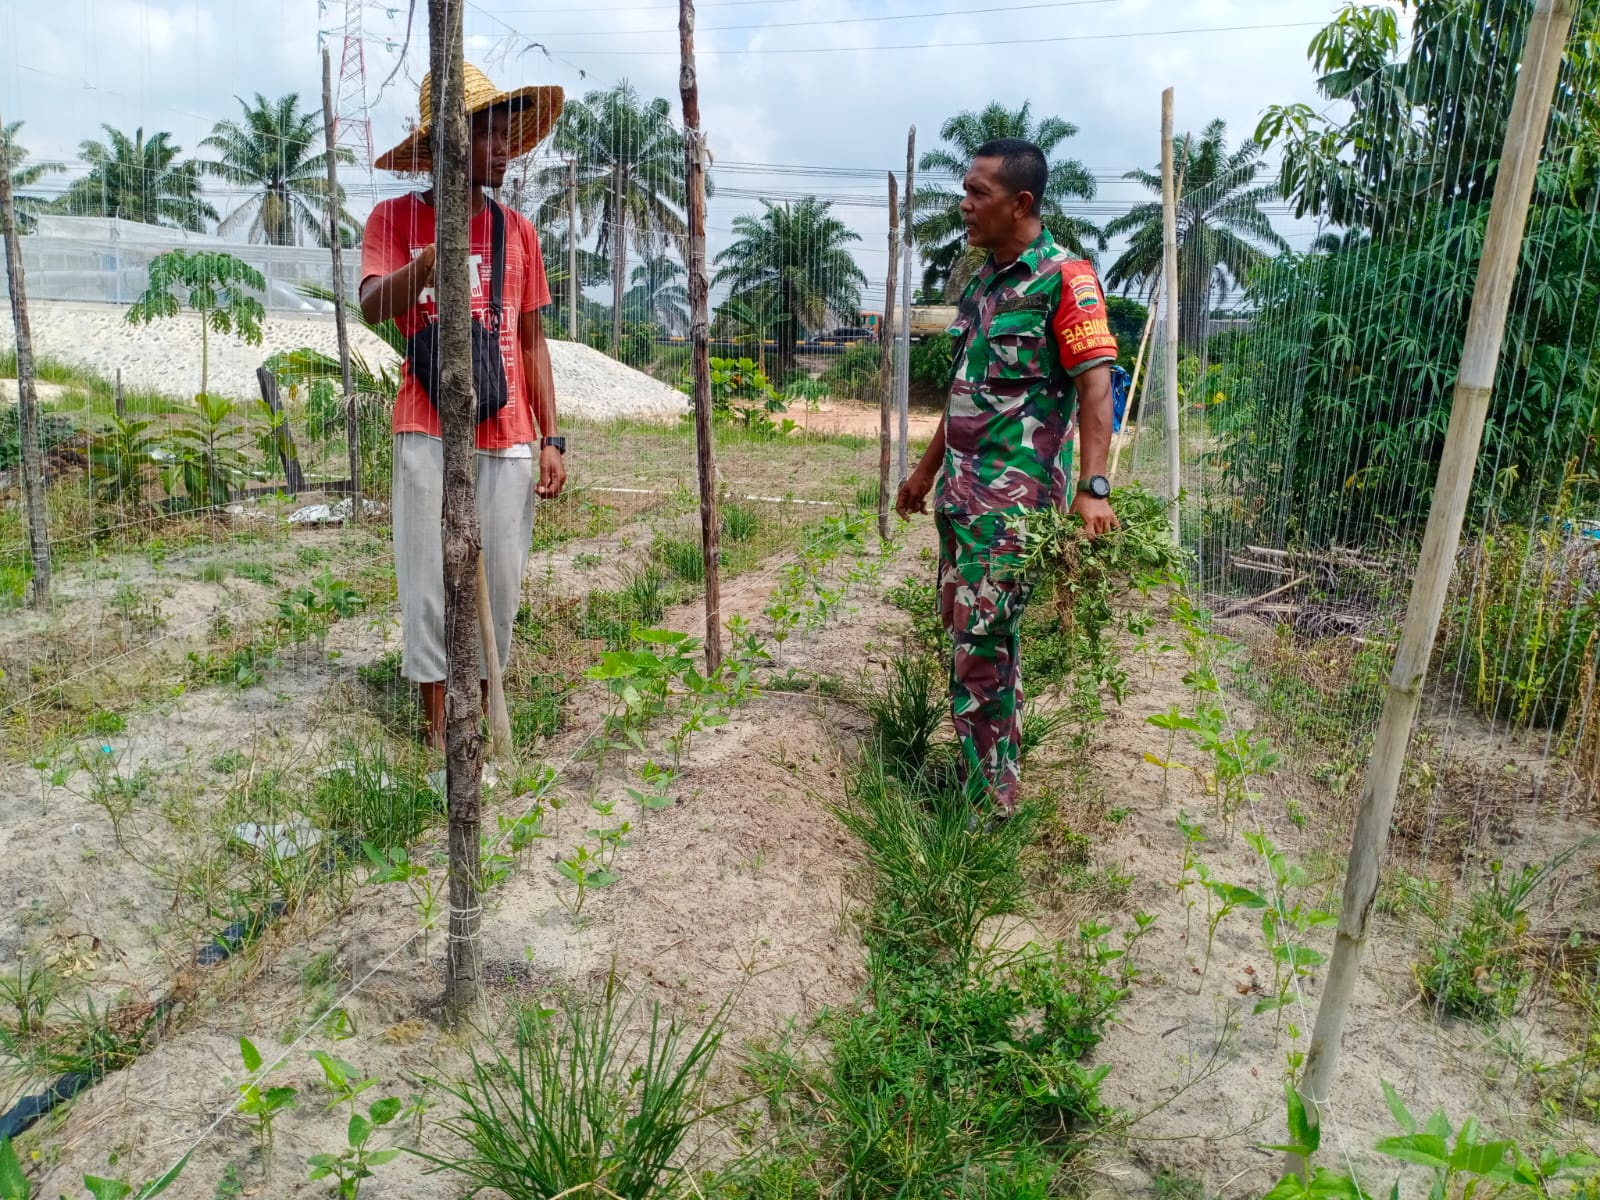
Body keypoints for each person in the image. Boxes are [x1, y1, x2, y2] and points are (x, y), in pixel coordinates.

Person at [895, 137, 1120, 819]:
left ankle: (988, 804)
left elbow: (1096, 388)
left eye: (976, 194)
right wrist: (923, 474)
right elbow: (968, 392)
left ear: (1020, 202)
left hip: (1012, 510)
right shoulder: (985, 284)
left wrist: (1094, 487)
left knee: (981, 648)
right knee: (974, 638)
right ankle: (993, 767)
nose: (963, 206)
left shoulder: (1064, 279)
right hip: (964, 503)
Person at [360, 64, 567, 751]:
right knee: (427, 583)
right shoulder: (393, 221)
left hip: (507, 435)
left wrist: (553, 437)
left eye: (509, 137)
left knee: (497, 588)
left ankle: (476, 723)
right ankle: (433, 732)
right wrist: (424, 264)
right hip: (425, 428)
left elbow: (531, 342)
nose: (505, 150)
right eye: (489, 137)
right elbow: (369, 305)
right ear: (449, 143)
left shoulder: (519, 233)